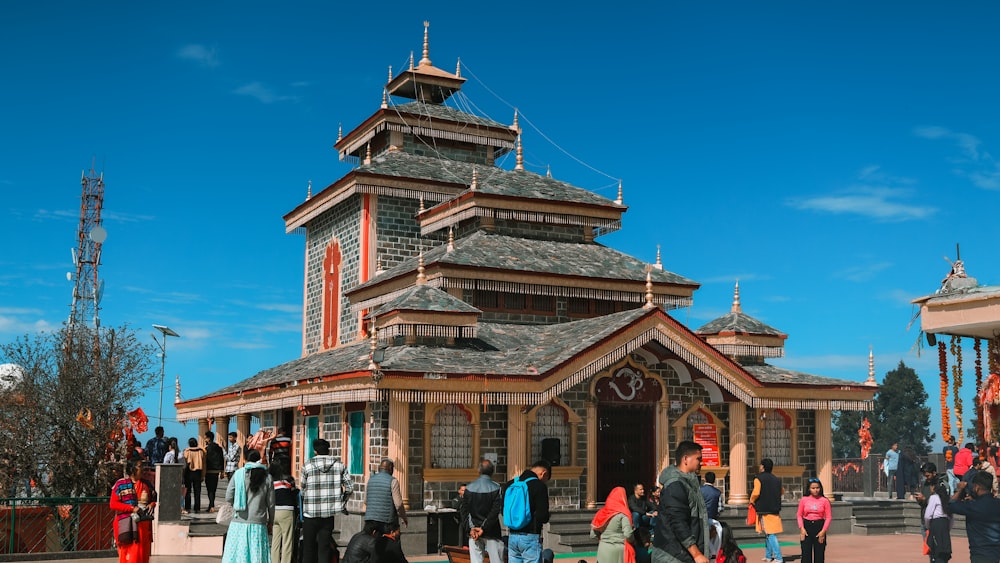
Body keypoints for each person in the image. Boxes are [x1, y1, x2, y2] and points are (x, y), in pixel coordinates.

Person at [653, 440, 709, 563]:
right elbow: (677, 522)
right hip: (672, 555)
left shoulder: (688, 483)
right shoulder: (675, 484)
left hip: (682, 554)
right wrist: (696, 554)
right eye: (698, 459)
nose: (701, 463)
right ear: (685, 459)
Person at [301, 438, 353, 563]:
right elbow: (350, 487)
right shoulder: (339, 465)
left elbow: (302, 489)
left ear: (315, 451)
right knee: (324, 548)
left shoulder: (307, 466)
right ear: (328, 450)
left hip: (310, 513)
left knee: (308, 548)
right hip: (328, 514)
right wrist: (341, 502)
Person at [222, 449, 274, 563]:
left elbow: (228, 497)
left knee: (237, 554)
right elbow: (271, 503)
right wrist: (271, 521)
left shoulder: (238, 474)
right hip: (258, 522)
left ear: (245, 459)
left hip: (239, 520)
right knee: (256, 555)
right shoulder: (267, 477)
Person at [110, 457, 157, 563]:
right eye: (140, 466)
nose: (143, 469)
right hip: (126, 526)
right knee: (129, 556)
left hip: (143, 527)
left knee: (142, 555)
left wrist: (152, 504)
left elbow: (153, 499)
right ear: (132, 469)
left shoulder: (147, 484)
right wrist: (132, 508)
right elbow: (113, 504)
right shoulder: (120, 485)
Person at [504, 459, 552, 563]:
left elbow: (503, 510)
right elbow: (542, 516)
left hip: (512, 536)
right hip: (530, 536)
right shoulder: (539, 486)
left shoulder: (510, 484)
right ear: (544, 473)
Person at [948, 471, 1000, 563]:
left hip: (979, 555)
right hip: (995, 554)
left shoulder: (972, 506)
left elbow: (950, 505)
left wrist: (960, 490)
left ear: (976, 487)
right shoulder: (997, 504)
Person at [460, 459, 504, 563]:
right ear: (492, 471)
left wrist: (471, 529)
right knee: (496, 560)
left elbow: (464, 511)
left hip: (473, 532)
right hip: (492, 532)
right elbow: (494, 512)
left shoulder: (469, 488)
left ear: (479, 471)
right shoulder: (497, 487)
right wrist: (483, 528)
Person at [749, 458, 783, 563]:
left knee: (771, 534)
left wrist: (751, 501)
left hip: (764, 509)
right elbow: (782, 492)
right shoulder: (777, 479)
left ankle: (778, 557)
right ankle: (768, 556)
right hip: (774, 508)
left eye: (760, 465)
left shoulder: (758, 478)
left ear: (762, 467)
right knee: (768, 533)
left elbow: (756, 492)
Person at [590, 486, 635, 563]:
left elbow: (592, 535)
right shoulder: (623, 514)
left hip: (603, 550)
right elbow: (628, 535)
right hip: (618, 550)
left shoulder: (601, 513)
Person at [365, 458, 409, 534]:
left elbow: (366, 501)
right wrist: (404, 517)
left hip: (369, 520)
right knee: (392, 544)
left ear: (380, 468)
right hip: (386, 522)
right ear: (390, 469)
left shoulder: (370, 480)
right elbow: (398, 504)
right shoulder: (393, 481)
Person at [796, 477, 831, 563]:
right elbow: (799, 515)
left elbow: (828, 517)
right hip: (806, 526)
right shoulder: (804, 500)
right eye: (813, 488)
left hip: (819, 526)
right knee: (805, 554)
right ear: (809, 489)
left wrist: (823, 531)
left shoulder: (825, 501)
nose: (816, 490)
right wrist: (802, 529)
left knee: (819, 555)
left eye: (817, 488)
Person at [269, 462, 298, 563]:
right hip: (287, 510)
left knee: (275, 541)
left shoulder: (270, 481)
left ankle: (274, 561)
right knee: (287, 541)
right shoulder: (289, 480)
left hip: (274, 511)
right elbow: (294, 493)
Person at [924, 478, 952, 563]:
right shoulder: (947, 499)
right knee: (944, 550)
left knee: (936, 550)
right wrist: (948, 528)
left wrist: (928, 526)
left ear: (933, 487)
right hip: (945, 524)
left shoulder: (934, 497)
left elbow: (928, 515)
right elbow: (951, 517)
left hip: (936, 524)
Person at [183, 437, 206, 513]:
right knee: (197, 491)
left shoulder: (187, 451)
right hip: (198, 472)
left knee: (188, 491)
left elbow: (185, 460)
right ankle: (197, 507)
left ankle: (188, 506)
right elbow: (204, 463)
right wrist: (203, 475)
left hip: (189, 472)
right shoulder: (201, 451)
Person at [205, 431, 226, 513]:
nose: (204, 439)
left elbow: (205, 460)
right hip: (216, 471)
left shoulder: (206, 448)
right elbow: (222, 459)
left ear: (208, 438)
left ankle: (211, 505)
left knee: (209, 489)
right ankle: (211, 505)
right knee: (213, 489)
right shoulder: (219, 448)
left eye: (205, 437)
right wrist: (222, 471)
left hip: (209, 470)